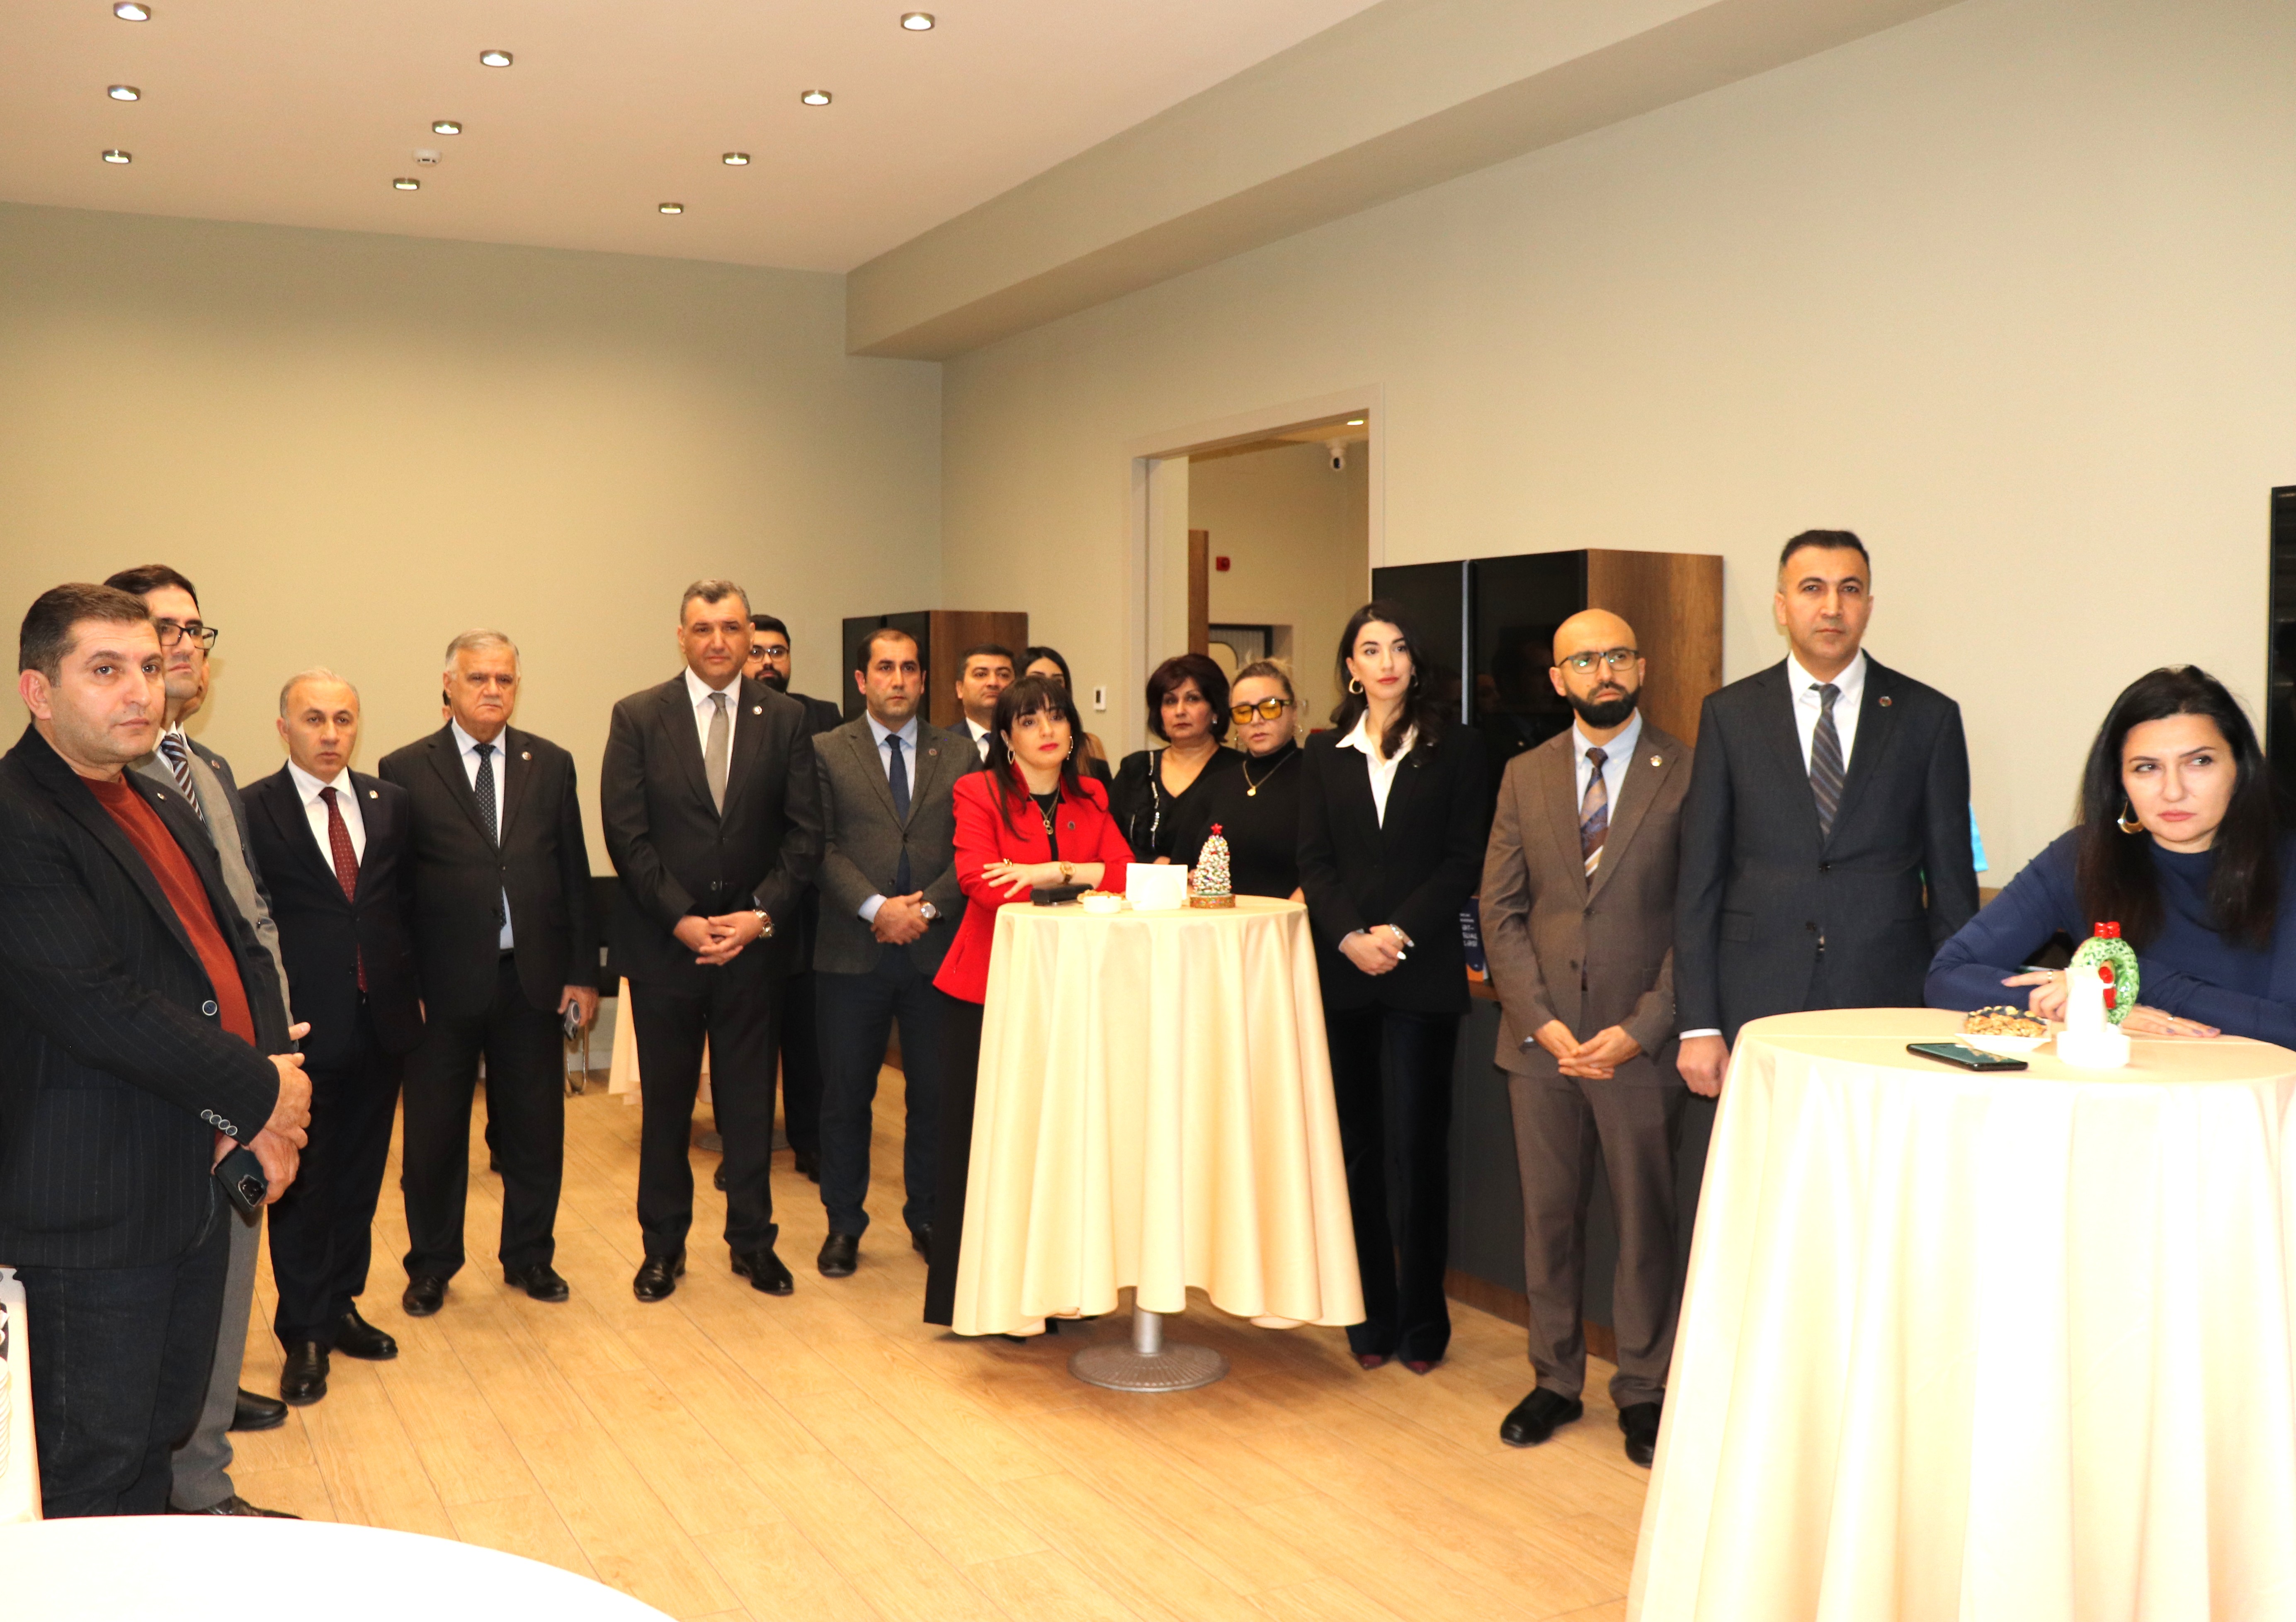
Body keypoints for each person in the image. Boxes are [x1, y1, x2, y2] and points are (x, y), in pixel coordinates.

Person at [0, 584, 308, 1516]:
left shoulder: (156, 798)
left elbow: (239, 948)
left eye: (146, 664)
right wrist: (260, 1092)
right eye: (105, 669)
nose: (140, 688)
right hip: (91, 1206)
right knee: (91, 1470)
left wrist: (268, 1093)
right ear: (38, 692)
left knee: (161, 1437)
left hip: (190, 1179)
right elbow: (98, 1003)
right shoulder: (17, 814)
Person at [1478, 610, 1692, 1467]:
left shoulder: (1690, 769)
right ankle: (1555, 1378)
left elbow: (1701, 914)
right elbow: (1499, 908)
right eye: (1583, 660)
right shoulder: (1523, 774)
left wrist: (1643, 1027)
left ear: (1641, 666)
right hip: (1543, 1045)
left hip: (1639, 1044)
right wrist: (1541, 1019)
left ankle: (1642, 1387)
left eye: (1616, 656)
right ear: (1557, 678)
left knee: (1645, 1223)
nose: (1603, 671)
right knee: (1549, 1222)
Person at [102, 564, 296, 1513]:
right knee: (178, 1297)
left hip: (251, 1071)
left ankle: (203, 1463)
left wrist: (279, 1045)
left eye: (192, 630)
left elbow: (247, 919)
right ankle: (188, 1483)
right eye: (160, 631)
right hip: (180, 1081)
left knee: (228, 1281)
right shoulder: (111, 778)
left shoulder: (206, 767)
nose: (181, 647)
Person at [1674, 531, 1978, 1096]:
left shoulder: (1927, 717)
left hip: (1888, 993)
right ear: (1781, 605)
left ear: (1869, 605)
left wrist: (1957, 1011)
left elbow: (1951, 884)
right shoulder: (1729, 715)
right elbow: (1699, 879)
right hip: (1755, 989)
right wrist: (1698, 1023)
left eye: (1850, 589)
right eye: (1812, 588)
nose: (1832, 606)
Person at [600, 579, 821, 1301]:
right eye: (703, 628)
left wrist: (759, 916)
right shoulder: (638, 716)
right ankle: (662, 1248)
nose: (718, 641)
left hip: (753, 951)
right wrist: (682, 917)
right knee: (666, 1109)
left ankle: (753, 1243)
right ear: (681, 636)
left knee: (749, 1108)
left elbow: (804, 833)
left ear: (749, 633)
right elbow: (625, 833)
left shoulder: (785, 719)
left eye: (730, 627)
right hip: (668, 948)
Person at [382, 630, 598, 1318]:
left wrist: (582, 973)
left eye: (504, 679)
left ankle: (530, 1255)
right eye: (478, 678)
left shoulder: (550, 763)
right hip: (440, 988)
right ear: (448, 685)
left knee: (535, 1131)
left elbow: (573, 873)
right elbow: (393, 893)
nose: (492, 690)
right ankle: (431, 1264)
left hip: (529, 981)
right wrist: (402, 985)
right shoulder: (404, 767)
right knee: (434, 1138)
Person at [1298, 602, 1488, 1372]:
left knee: (1418, 1151)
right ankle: (1369, 1315)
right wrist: (1349, 935)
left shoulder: (1457, 747)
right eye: (1370, 649)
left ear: (1415, 661)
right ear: (1350, 666)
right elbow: (1315, 862)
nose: (1386, 662)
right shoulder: (1325, 752)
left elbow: (1463, 859)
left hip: (1421, 973)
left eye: (1399, 648)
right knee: (1358, 1153)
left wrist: (1397, 934)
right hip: (1345, 975)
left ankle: (1422, 1322)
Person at [1929, 666, 2294, 1041]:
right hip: (2124, 1076)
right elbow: (1947, 977)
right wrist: (2079, 1000)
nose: (2173, 791)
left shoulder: (2287, 862)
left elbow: (2289, 1026)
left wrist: (2128, 980)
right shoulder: (2081, 857)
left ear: (2240, 767)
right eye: (2147, 768)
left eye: (2199, 762)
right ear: (2120, 781)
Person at [923, 674, 1133, 1328]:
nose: (1047, 730)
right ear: (1007, 738)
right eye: (1029, 720)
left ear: (1073, 731)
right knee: (987, 1146)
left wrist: (1050, 872)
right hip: (991, 989)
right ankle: (985, 1302)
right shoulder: (977, 791)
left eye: (1057, 717)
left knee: (1064, 1144)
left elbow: (1129, 876)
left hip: (1074, 995)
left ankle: (1062, 1291)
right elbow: (980, 883)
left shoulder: (1092, 796)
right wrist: (1088, 880)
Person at [243, 671, 425, 1406]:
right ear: (283, 727)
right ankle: (304, 1331)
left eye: (343, 719)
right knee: (303, 1185)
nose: (330, 733)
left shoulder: (390, 803)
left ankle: (343, 1304)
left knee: (359, 1176)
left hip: (380, 1021)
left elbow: (401, 905)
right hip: (304, 1027)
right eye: (313, 718)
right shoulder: (253, 807)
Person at [811, 626, 974, 1275]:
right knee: (846, 1096)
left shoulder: (959, 753)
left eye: (909, 668)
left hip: (936, 954)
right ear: (862, 680)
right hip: (852, 950)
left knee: (933, 1097)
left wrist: (924, 909)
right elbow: (819, 847)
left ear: (924, 679)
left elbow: (972, 851)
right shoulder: (826, 751)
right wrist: (878, 908)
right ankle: (843, 1225)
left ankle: (928, 1217)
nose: (898, 679)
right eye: (885, 668)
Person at [742, 611, 840, 1180]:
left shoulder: (821, 716)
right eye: (757, 652)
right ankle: (746, 1153)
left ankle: (812, 1146)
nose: (767, 662)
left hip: (810, 906)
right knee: (750, 1046)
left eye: (777, 652)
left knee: (810, 1041)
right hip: (747, 901)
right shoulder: (722, 719)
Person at [1171, 658, 1306, 899]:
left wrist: (1296, 912)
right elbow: (1178, 872)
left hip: (1294, 917)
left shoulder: (1319, 776)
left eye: (1270, 707)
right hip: (1221, 919)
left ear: (1294, 711)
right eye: (1243, 712)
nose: (1256, 720)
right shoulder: (1214, 786)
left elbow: (1339, 866)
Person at [1108, 652, 1242, 863]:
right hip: (1138, 883)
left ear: (1215, 710)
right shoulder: (1136, 768)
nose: (1180, 711)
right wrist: (1156, 864)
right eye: (1170, 701)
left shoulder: (1239, 772)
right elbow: (1108, 840)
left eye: (1193, 699)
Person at [1021, 645, 1110, 778]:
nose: (1048, 688)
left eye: (1057, 682)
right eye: (1037, 680)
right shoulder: (1005, 743)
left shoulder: (1089, 745)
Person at [954, 643, 1015, 763]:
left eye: (1003, 675)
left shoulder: (1031, 741)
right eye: (981, 674)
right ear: (960, 689)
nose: (993, 683)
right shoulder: (943, 744)